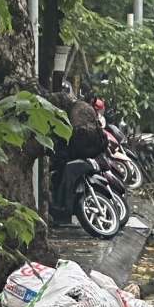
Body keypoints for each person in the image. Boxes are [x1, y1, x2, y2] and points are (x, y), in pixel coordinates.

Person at [47, 86, 109, 224]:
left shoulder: (72, 114)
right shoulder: (85, 108)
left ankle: (62, 205)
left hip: (80, 146)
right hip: (89, 146)